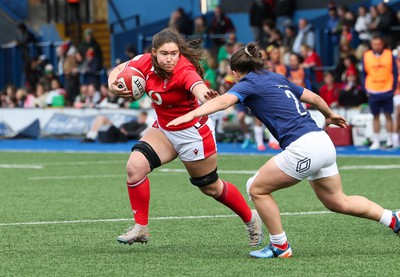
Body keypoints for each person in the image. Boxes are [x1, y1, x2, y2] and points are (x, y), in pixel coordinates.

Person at [167, 42, 400, 258]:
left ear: (237, 72)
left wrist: (190, 114)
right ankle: (393, 219)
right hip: (322, 142)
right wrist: (329, 115)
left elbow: (223, 102)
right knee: (338, 201)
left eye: (233, 73)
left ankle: (280, 245)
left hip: (304, 147)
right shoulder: (276, 77)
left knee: (256, 188)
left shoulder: (248, 83)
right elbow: (314, 97)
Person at [107, 28, 263, 247]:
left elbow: (197, 86)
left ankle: (250, 218)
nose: (170, 58)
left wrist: (206, 97)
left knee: (211, 188)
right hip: (164, 128)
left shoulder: (184, 71)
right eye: (164, 53)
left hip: (192, 133)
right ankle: (141, 227)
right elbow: (119, 69)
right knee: (135, 167)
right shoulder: (143, 62)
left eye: (174, 53)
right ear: (154, 53)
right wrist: (113, 85)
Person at [361, 34, 398, 150]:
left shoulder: (389, 54)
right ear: (371, 45)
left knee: (389, 115)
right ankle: (376, 141)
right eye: (374, 44)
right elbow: (363, 74)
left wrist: (393, 88)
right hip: (372, 89)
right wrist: (365, 89)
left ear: (382, 44)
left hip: (387, 89)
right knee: (375, 116)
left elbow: (395, 72)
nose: (376, 46)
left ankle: (390, 140)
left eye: (378, 44)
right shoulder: (366, 55)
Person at [82, 111, 149, 143]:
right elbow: (124, 124)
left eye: (141, 117)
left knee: (102, 118)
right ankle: (90, 136)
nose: (139, 118)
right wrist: (121, 128)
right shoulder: (134, 121)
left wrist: (126, 132)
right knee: (99, 118)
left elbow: (136, 133)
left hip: (124, 136)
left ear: (145, 118)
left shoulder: (144, 125)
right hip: (120, 131)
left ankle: (91, 136)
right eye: (139, 117)